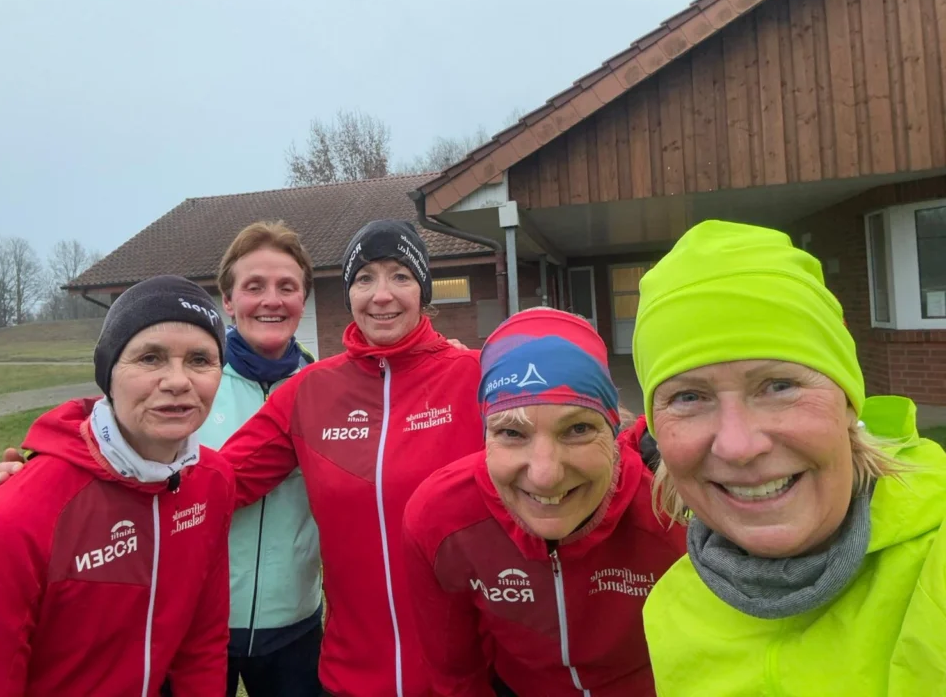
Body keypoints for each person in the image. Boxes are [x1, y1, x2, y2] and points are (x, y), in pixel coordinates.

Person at [632, 220, 946, 695]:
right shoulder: (672, 609)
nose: (738, 446)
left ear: (847, 401)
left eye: (780, 386)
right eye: (689, 398)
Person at [215, 218, 486, 696]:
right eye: (364, 279)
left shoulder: (475, 375)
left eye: (400, 275)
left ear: (423, 291)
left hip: (466, 675)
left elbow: (576, 433)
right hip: (351, 677)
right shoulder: (310, 390)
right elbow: (215, 482)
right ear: (349, 294)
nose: (382, 295)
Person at [0, 276, 236, 696]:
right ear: (108, 374)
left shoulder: (213, 482)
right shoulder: (17, 514)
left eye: (200, 360)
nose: (177, 381)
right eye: (150, 358)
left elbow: (202, 643)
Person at [402, 307, 687, 696]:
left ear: (613, 430)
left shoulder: (669, 510)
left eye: (578, 428)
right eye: (512, 433)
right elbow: (456, 675)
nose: (545, 474)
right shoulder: (441, 518)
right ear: (485, 437)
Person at [206, 221, 322, 697]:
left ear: (302, 301)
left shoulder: (329, 388)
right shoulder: (193, 384)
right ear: (229, 302)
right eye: (254, 286)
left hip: (295, 626)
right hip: (200, 626)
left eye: (287, 287)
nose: (272, 300)